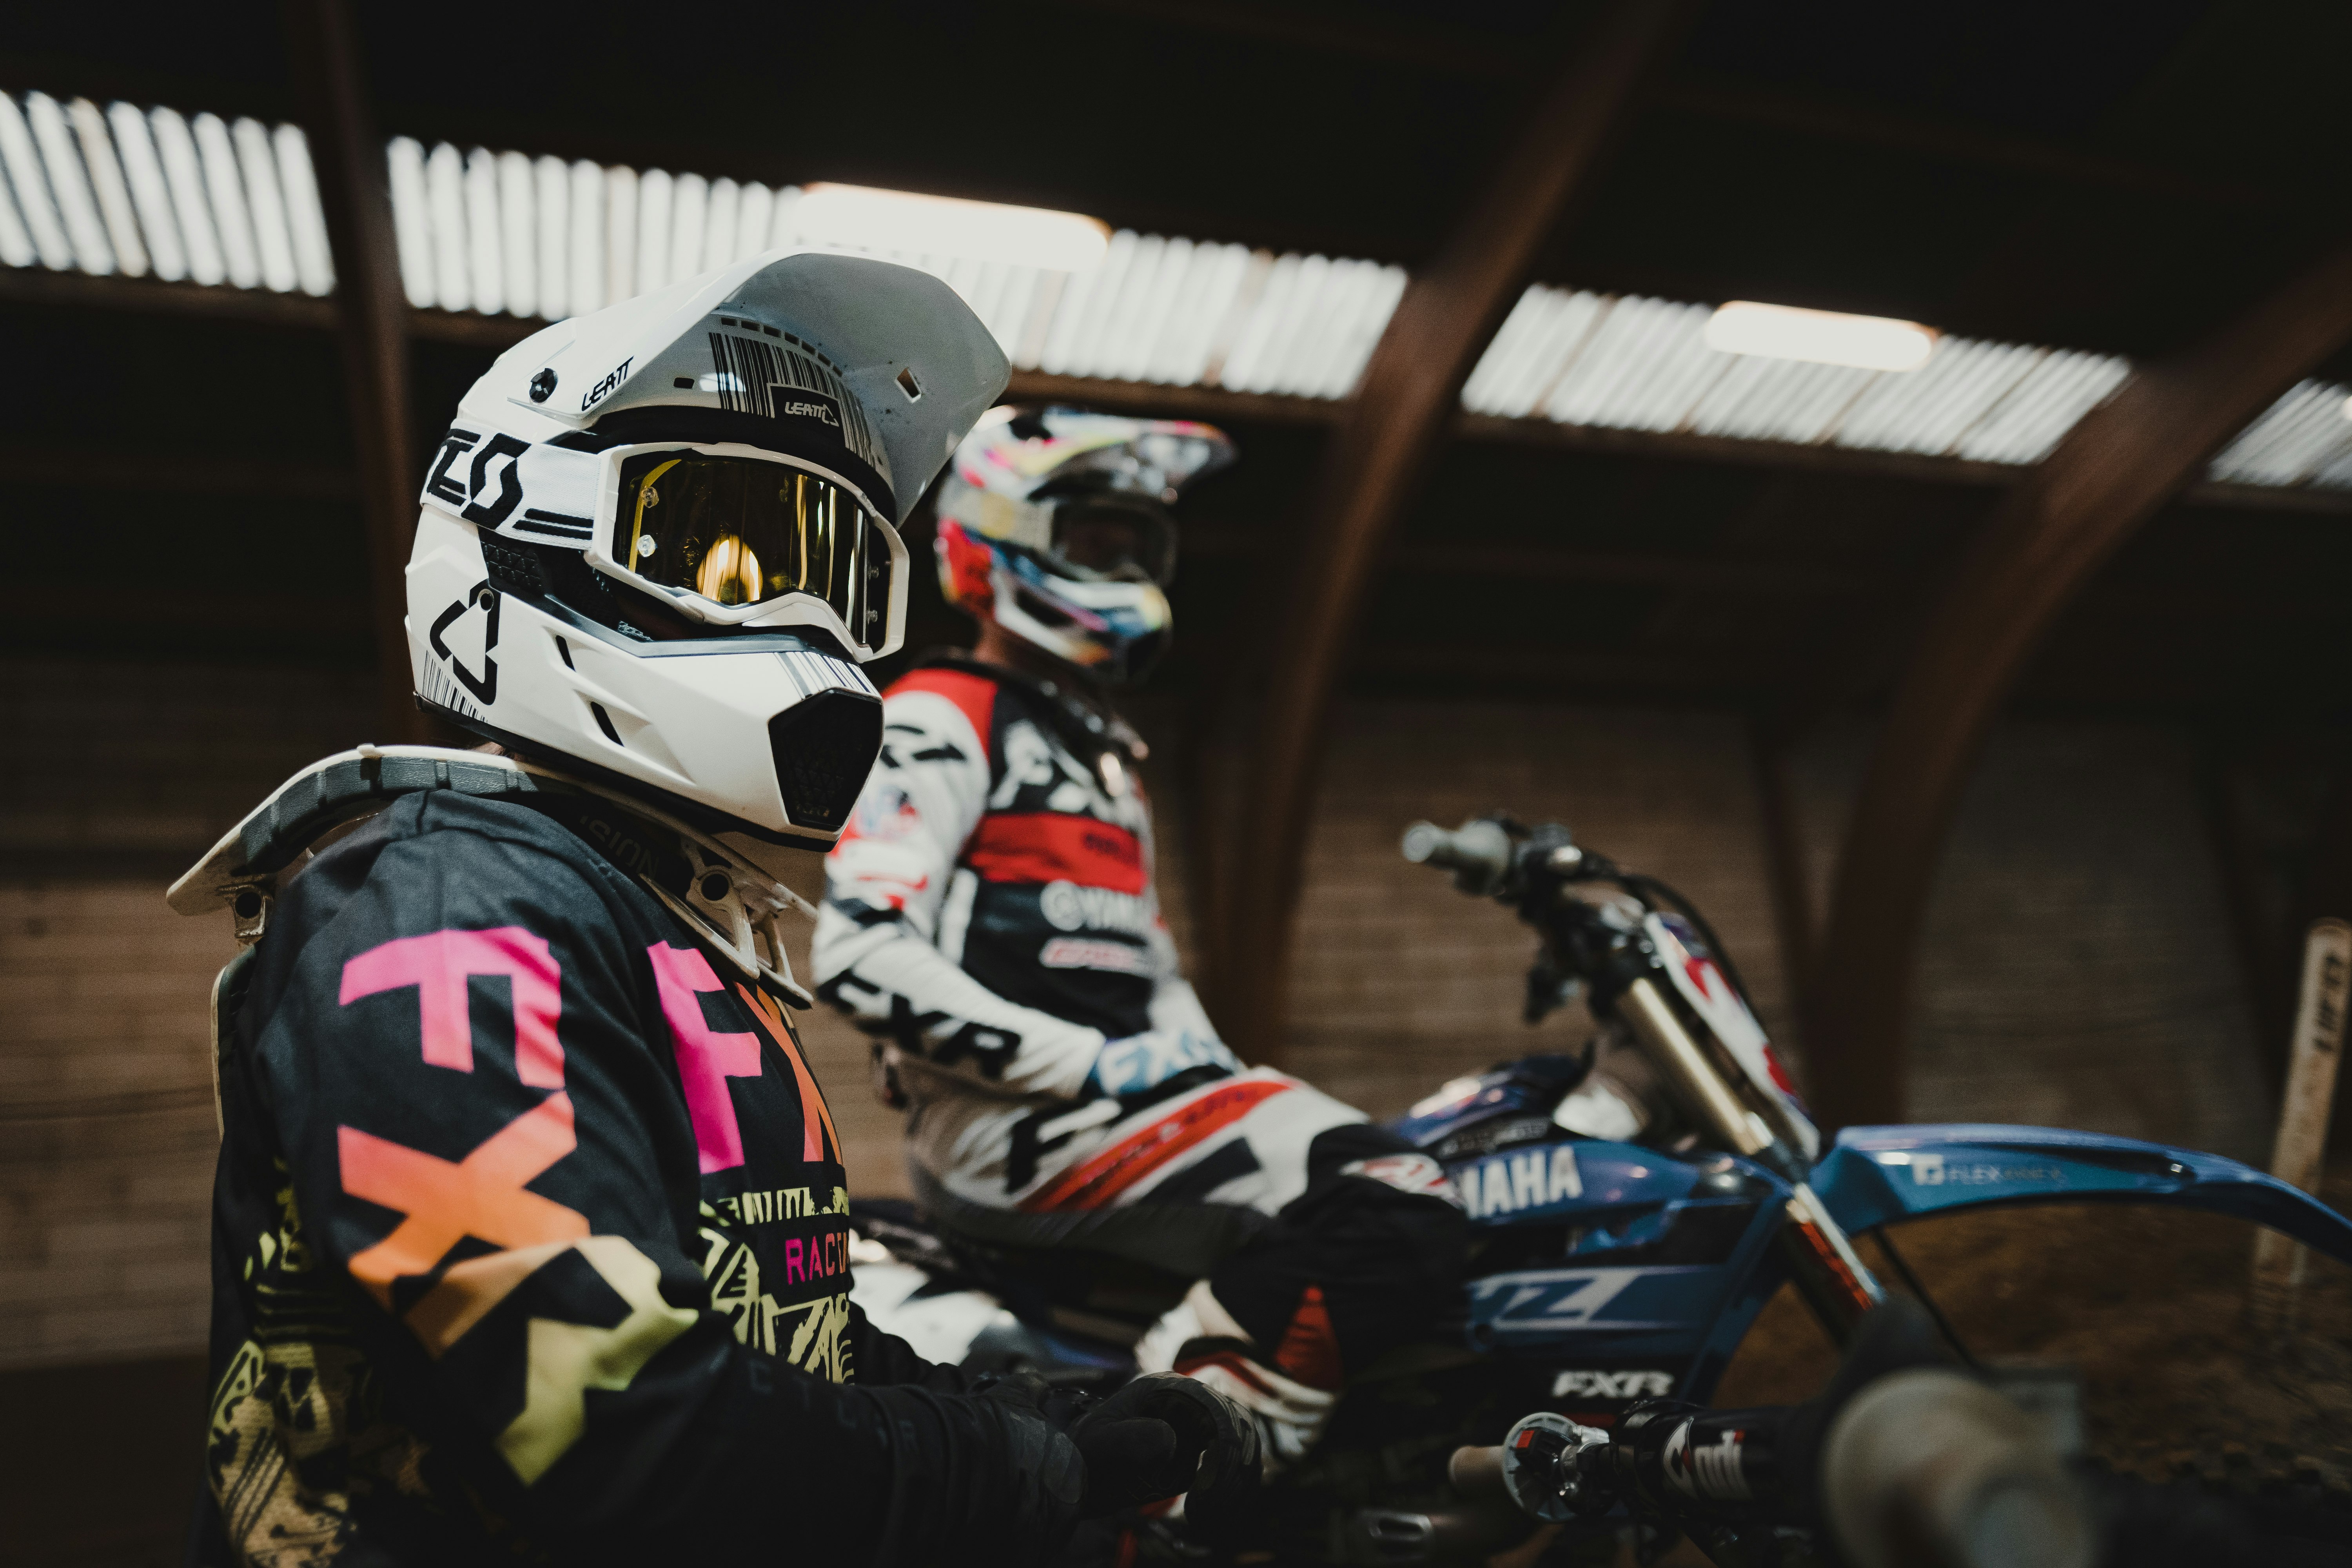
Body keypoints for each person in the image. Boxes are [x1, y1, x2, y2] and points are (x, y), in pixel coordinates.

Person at [174, 258, 1250, 1568]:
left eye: (832, 568)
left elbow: (770, 1316)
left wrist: (1023, 1412)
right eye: (726, 550)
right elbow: (619, 1433)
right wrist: (1019, 1464)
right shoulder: (443, 912)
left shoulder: (648, 908)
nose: (796, 612)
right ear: (523, 526)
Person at [811, 408, 1469, 1474]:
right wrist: (1094, 1063)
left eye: (1136, 546)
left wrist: (1209, 1067)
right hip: (1016, 1129)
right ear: (999, 537)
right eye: (1092, 543)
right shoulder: (941, 714)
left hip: (1115, 1113)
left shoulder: (1107, 759)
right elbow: (859, 953)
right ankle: (1165, 1481)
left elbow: (1151, 968)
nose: (1122, 568)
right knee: (1393, 1194)